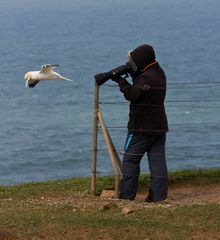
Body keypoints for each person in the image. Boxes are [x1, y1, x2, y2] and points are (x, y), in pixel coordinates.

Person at [111, 44, 169, 202]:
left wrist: (120, 81)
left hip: (141, 128)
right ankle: (159, 198)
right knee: (157, 162)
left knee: (130, 159)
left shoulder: (147, 77)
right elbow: (142, 88)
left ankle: (127, 197)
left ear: (142, 60)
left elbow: (132, 94)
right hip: (159, 126)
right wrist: (134, 74)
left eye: (134, 61)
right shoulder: (158, 73)